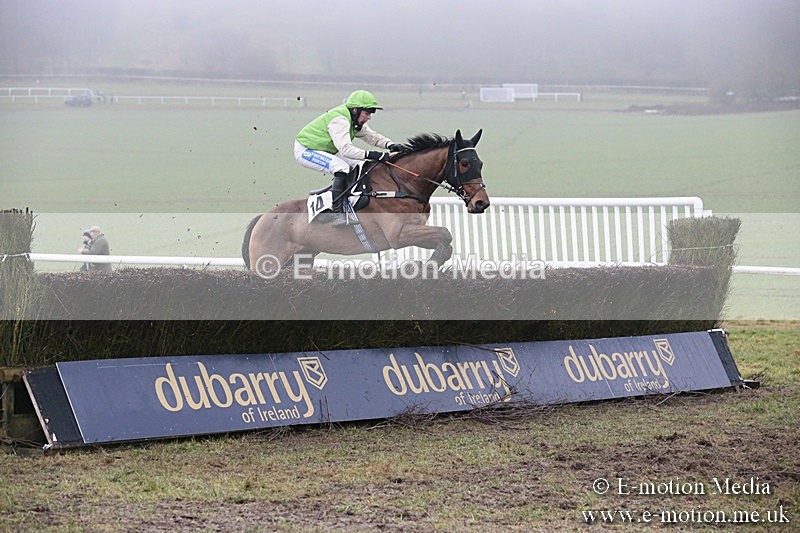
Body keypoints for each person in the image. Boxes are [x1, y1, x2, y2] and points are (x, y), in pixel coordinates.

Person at [294, 90, 404, 226]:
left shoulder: (354, 120)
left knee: (360, 164)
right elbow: (345, 150)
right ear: (356, 110)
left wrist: (391, 144)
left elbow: (371, 136)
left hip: (327, 149)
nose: (369, 117)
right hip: (306, 150)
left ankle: (349, 201)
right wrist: (378, 155)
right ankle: (337, 212)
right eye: (367, 113)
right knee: (341, 167)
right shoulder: (340, 120)